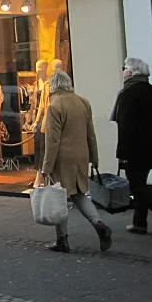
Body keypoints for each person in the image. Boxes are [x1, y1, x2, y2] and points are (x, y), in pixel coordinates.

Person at [42, 71, 112, 253]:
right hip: (81, 155)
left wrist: (46, 167)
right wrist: (94, 158)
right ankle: (99, 224)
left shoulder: (54, 105)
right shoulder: (83, 102)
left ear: (53, 86)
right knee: (79, 193)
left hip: (62, 158)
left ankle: (62, 240)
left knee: (59, 198)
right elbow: (91, 133)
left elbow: (52, 140)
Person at [111, 57, 152, 234]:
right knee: (141, 182)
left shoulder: (128, 93)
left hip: (135, 149)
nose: (123, 72)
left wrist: (122, 153)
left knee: (138, 186)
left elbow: (125, 125)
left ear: (131, 73)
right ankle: (139, 222)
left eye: (124, 68)